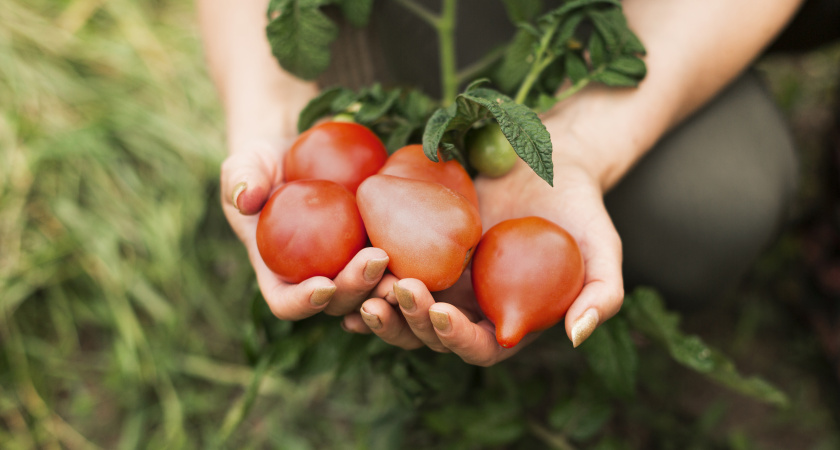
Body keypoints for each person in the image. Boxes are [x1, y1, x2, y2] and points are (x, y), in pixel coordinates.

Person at [198, 0, 804, 366]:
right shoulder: (392, 191)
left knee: (712, 203)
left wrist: (590, 142)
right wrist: (269, 106)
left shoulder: (388, 194)